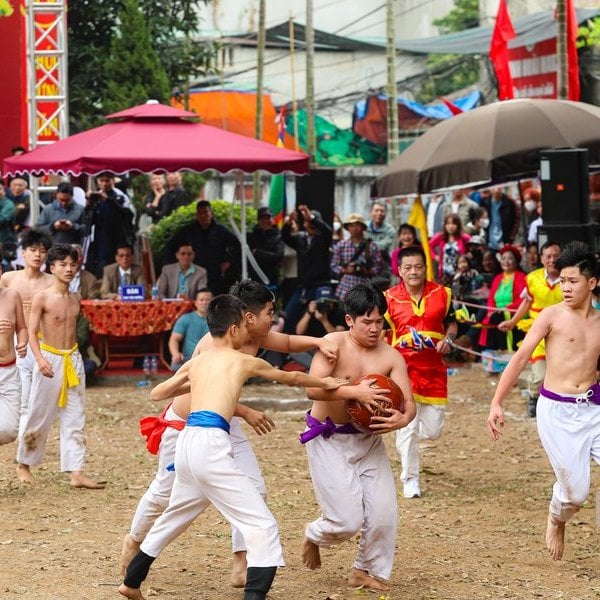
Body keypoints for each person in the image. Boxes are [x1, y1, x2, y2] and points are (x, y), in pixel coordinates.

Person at [118, 294, 346, 600]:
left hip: (187, 442)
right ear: (235, 330)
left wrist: (198, 380)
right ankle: (254, 594)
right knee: (262, 524)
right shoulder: (242, 360)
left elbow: (158, 392)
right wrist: (328, 383)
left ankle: (131, 582)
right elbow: (291, 377)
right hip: (210, 444)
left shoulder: (199, 361)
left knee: (176, 514)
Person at [487, 241, 600, 562]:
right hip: (556, 412)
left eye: (572, 281)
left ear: (592, 283)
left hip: (594, 407)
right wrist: (497, 402)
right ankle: (556, 518)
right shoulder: (551, 316)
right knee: (576, 493)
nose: (565, 287)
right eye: (562, 280)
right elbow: (521, 357)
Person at [301, 284, 416, 592]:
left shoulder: (391, 356)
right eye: (367, 322)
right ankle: (314, 534)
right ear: (350, 320)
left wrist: (402, 419)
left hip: (368, 440)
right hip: (327, 437)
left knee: (383, 513)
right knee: (346, 521)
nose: (375, 328)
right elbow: (312, 387)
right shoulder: (332, 343)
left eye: (380, 321)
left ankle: (364, 570)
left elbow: (409, 403)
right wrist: (355, 391)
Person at [15, 244, 104, 489]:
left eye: (72, 264)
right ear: (52, 268)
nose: (68, 269)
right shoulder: (42, 297)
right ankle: (24, 463)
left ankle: (76, 471)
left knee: (76, 415)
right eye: (63, 264)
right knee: (38, 413)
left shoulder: (75, 298)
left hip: (72, 358)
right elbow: (32, 333)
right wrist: (41, 359)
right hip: (49, 357)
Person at [384, 245, 458, 498]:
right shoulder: (388, 298)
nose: (413, 272)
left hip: (435, 368)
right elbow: (382, 334)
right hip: (404, 370)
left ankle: (408, 436)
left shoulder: (443, 293)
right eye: (408, 267)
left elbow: (452, 322)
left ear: (426, 268)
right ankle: (410, 479)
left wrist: (448, 340)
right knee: (408, 427)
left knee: (432, 430)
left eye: (418, 266)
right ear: (399, 271)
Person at [498, 241, 562, 417]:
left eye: (556, 256)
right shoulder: (533, 278)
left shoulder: (569, 277)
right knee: (540, 372)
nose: (552, 260)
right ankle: (533, 395)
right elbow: (527, 302)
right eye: (548, 256)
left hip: (565, 334)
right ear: (542, 259)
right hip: (539, 333)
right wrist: (512, 322)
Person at [0, 229, 54, 439]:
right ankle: (22, 438)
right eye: (33, 250)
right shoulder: (9, 278)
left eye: (42, 251)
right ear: (23, 252)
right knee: (22, 394)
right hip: (14, 342)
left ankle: (30, 437)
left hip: (43, 340)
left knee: (41, 396)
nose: (37, 255)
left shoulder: (51, 281)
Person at [164, 200, 240, 295]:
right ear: (197, 215)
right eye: (200, 213)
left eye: (206, 212)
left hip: (216, 274)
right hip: (194, 274)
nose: (203, 216)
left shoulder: (221, 231)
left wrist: (228, 261)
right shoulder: (188, 231)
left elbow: (238, 246)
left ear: (211, 213)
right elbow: (171, 246)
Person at [282, 205, 333, 333]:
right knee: (288, 315)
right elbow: (285, 237)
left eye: (310, 222)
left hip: (321, 285)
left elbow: (327, 230)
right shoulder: (300, 238)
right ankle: (289, 350)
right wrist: (288, 223)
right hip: (303, 287)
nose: (307, 225)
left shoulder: (323, 238)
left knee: (320, 318)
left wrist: (311, 217)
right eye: (306, 222)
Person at [84, 172, 135, 278]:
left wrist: (108, 200)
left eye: (107, 180)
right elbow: (88, 220)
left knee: (116, 267)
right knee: (100, 267)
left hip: (117, 237)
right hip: (100, 239)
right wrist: (89, 204)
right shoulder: (96, 198)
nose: (104, 183)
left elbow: (128, 215)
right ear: (97, 182)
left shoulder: (120, 196)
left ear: (113, 181)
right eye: (101, 181)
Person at [478, 245, 527, 352]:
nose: (506, 261)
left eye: (510, 258)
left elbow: (524, 300)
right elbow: (491, 299)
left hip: (514, 312)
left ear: (516, 262)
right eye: (503, 258)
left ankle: (501, 349)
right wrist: (491, 311)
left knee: (495, 318)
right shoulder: (497, 278)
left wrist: (505, 308)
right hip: (497, 313)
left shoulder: (521, 277)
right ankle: (491, 352)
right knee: (489, 318)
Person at [0, 264, 28, 446]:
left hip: (9, 369)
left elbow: (22, 328)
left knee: (9, 431)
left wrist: (22, 342)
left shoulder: (12, 295)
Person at [330, 213, 384, 300]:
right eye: (351, 226)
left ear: (363, 227)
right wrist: (345, 270)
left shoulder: (371, 245)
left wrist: (368, 271)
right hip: (345, 287)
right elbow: (333, 265)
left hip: (364, 285)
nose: (354, 228)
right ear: (348, 228)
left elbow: (380, 265)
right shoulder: (341, 245)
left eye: (357, 225)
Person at [168, 288, 212, 371]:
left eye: (208, 300)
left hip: (211, 357)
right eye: (201, 300)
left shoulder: (218, 320)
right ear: (195, 302)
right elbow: (174, 339)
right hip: (189, 358)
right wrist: (175, 354)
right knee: (175, 365)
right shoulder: (186, 319)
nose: (205, 302)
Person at [246, 207, 285, 288]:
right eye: (262, 219)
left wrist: (257, 252)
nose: (266, 221)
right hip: (253, 281)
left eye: (268, 218)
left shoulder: (279, 236)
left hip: (271, 281)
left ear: (273, 219)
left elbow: (278, 257)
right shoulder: (251, 236)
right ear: (258, 221)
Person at [429, 213, 471, 284]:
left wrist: (468, 254)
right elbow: (428, 246)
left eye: (453, 224)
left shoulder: (464, 237)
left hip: (459, 273)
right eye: (448, 224)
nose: (450, 226)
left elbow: (474, 244)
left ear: (458, 225)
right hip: (444, 273)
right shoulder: (440, 237)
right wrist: (435, 256)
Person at [480, 186, 519, 251]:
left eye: (499, 188)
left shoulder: (510, 203)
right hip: (489, 243)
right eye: (494, 187)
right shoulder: (484, 202)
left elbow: (516, 222)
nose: (497, 190)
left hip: (505, 243)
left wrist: (511, 239)